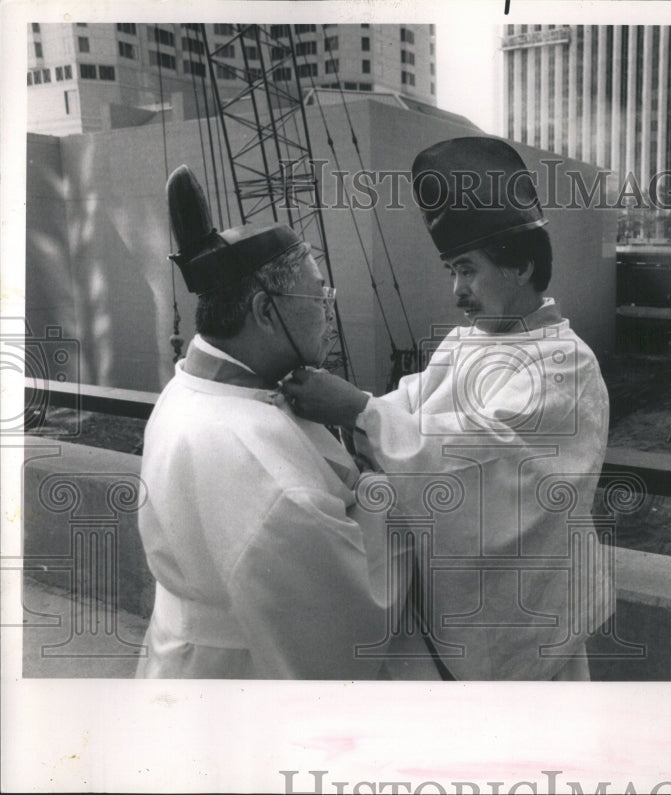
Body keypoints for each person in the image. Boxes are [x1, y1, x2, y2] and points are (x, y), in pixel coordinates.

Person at [283, 137, 612, 680]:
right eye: (450, 272)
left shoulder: (564, 367)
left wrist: (363, 411)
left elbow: (483, 464)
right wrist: (354, 411)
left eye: (469, 270)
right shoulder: (465, 342)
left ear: (523, 267)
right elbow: (405, 407)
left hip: (528, 620)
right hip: (454, 606)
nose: (457, 290)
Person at [136, 165, 389, 679]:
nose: (327, 311)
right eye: (319, 295)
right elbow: (350, 623)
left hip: (183, 659)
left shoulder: (186, 387)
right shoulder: (269, 473)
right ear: (266, 312)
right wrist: (380, 483)